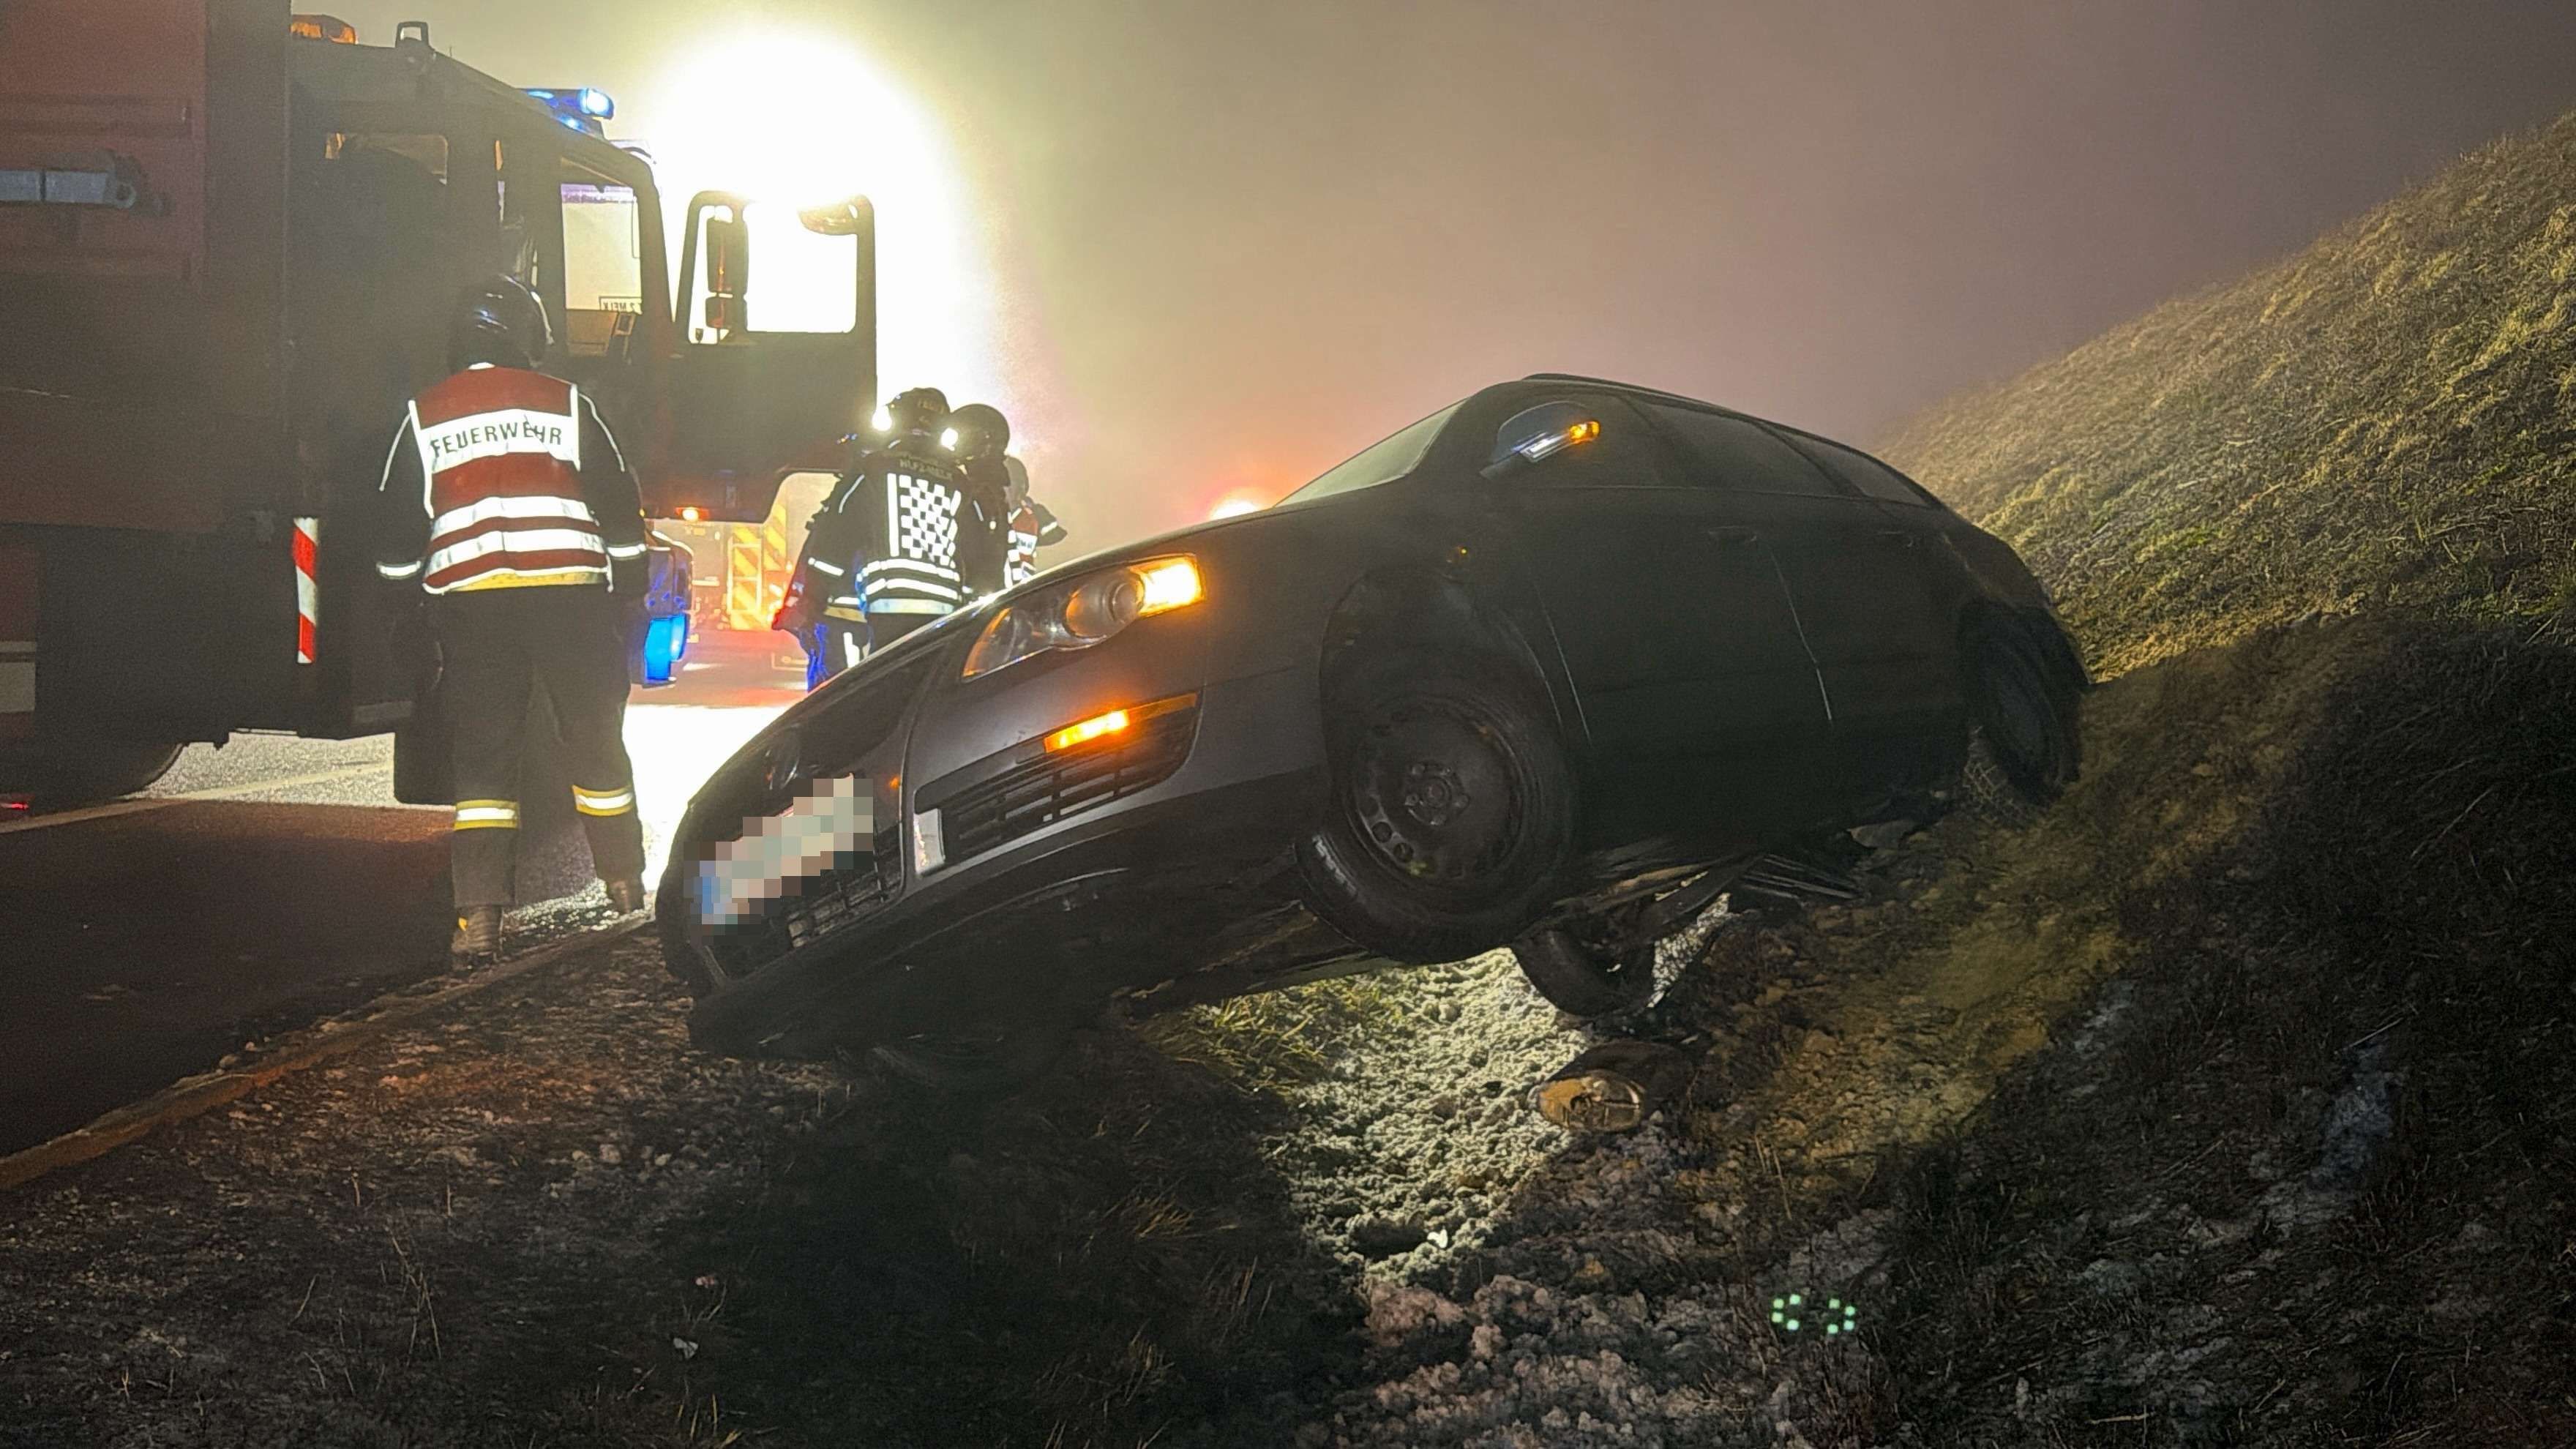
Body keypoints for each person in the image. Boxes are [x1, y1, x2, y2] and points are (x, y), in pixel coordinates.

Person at [372, 274, 651, 962]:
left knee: (486, 762)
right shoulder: (566, 403)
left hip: (475, 610)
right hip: (570, 602)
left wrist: (403, 600)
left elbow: (398, 524)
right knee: (593, 740)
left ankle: (481, 919)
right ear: (528, 336)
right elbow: (619, 502)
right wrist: (631, 588)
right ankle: (623, 887)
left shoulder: (424, 413)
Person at [789, 386, 969, 683]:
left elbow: (836, 534)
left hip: (887, 602)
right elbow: (970, 548)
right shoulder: (958, 480)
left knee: (876, 685)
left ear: (898, 418)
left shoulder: (874, 468)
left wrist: (813, 596)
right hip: (944, 611)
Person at [946, 402, 1013, 603]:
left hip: (972, 602)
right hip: (984, 598)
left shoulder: (979, 491)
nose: (955, 446)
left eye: (960, 437)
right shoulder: (990, 488)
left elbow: (975, 548)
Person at [1001, 454, 1068, 590]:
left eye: (1010, 483)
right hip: (995, 589)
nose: (1004, 489)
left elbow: (1056, 538)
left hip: (1024, 588)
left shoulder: (1032, 516)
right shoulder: (987, 516)